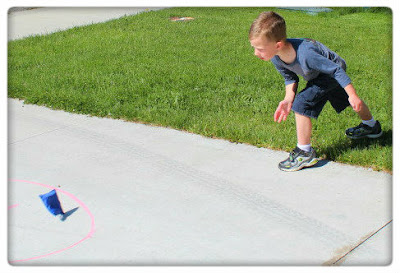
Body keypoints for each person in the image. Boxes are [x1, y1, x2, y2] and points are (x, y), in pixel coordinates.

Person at [248, 11, 382, 172]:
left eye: (260, 49)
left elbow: (336, 71)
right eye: (254, 48)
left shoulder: (306, 54)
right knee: (349, 103)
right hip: (319, 74)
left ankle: (305, 152)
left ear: (277, 44)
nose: (256, 53)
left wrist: (353, 94)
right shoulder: (276, 56)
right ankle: (372, 126)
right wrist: (287, 99)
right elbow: (290, 78)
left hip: (331, 72)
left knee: (302, 103)